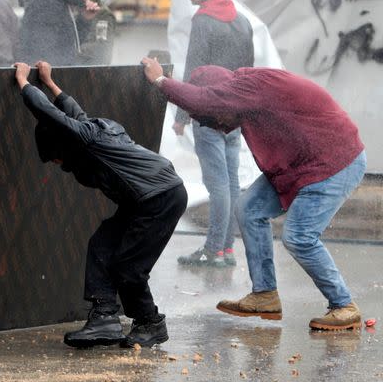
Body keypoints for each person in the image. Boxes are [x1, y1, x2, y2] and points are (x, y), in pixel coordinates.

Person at [141, 57, 366, 331]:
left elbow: (202, 100)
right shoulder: (249, 92)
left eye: (214, 117)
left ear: (224, 96)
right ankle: (265, 295)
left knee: (299, 238)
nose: (217, 126)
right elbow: (208, 104)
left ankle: (344, 305)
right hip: (302, 164)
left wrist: (160, 80)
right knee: (249, 209)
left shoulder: (248, 86)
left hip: (334, 161)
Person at [15, 60, 187, 348]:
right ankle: (104, 318)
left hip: (159, 197)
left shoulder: (85, 139)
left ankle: (150, 323)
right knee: (102, 245)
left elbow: (46, 113)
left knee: (128, 267)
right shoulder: (91, 131)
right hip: (145, 197)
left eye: (54, 157)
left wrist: (24, 82)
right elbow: (73, 110)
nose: (57, 164)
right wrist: (49, 81)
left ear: (61, 147)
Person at [175, 0, 254, 268]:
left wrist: (182, 115)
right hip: (234, 114)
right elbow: (248, 72)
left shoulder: (203, 21)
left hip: (208, 112)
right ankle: (227, 249)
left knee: (218, 184)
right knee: (232, 182)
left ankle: (212, 250)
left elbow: (193, 70)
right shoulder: (243, 21)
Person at [17, 0, 100, 66]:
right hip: (43, 75)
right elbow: (56, 54)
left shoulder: (52, 2)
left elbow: (67, 43)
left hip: (40, 73)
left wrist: (84, 19)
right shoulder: (50, 6)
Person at [77, 0, 118, 66]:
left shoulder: (104, 16)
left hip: (95, 72)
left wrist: (74, 50)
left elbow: (101, 49)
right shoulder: (77, 12)